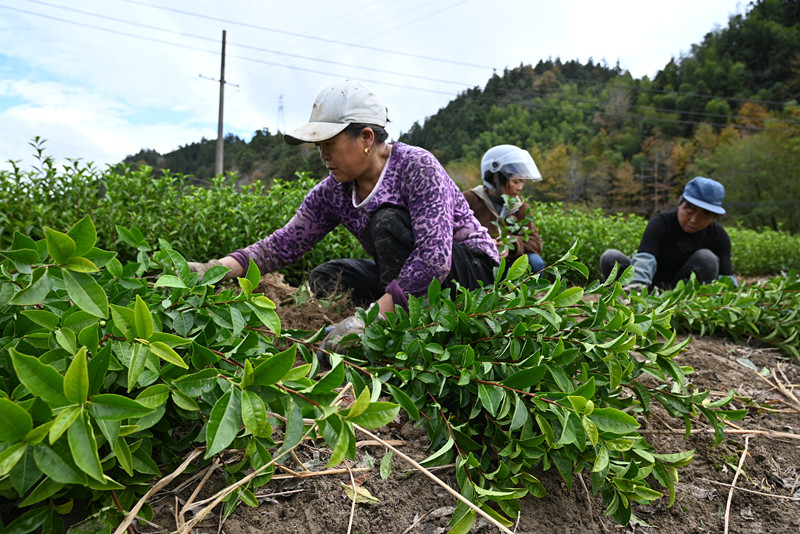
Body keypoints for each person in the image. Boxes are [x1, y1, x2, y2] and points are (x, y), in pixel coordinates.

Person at [189, 80, 499, 348]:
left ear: (366, 138)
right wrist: (213, 269)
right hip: (410, 274)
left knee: (386, 222)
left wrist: (369, 319)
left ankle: (395, 329)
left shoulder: (416, 166)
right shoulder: (333, 191)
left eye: (330, 144)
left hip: (470, 272)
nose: (323, 156)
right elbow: (282, 244)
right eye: (319, 146)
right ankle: (391, 310)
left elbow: (433, 259)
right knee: (328, 275)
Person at [600, 176, 737, 291]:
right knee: (610, 257)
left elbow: (727, 278)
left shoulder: (718, 236)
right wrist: (636, 289)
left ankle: (690, 302)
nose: (693, 220)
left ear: (713, 217)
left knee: (707, 258)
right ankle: (624, 299)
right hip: (650, 288)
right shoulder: (661, 222)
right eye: (689, 212)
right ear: (679, 204)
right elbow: (645, 259)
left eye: (704, 216)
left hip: (682, 292)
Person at [463, 145, 545, 273]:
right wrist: (484, 243)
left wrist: (510, 244)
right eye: (516, 181)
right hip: (479, 263)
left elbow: (536, 243)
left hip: (509, 263)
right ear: (496, 178)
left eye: (522, 182)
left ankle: (521, 293)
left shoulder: (520, 207)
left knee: (535, 262)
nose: (520, 187)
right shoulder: (471, 200)